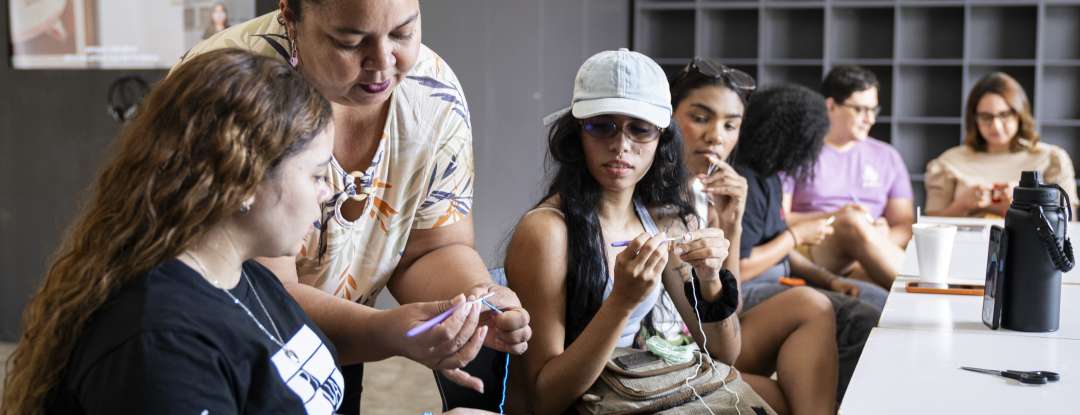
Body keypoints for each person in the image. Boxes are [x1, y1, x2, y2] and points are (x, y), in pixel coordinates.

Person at [178, 1, 531, 411]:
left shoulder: (432, 93)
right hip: (229, 346)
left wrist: (472, 301)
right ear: (290, 18)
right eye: (350, 41)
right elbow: (258, 294)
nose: (382, 62)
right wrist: (387, 331)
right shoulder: (233, 89)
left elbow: (431, 247)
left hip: (340, 343)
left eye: (403, 33)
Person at [2, 49, 355, 413]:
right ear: (246, 180)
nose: (328, 193)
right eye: (316, 175)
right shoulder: (160, 346)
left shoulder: (245, 276)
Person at [506, 49, 836, 415]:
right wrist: (622, 302)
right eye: (602, 126)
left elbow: (725, 353)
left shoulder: (667, 219)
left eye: (640, 128)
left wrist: (711, 277)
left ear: (662, 138)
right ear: (576, 134)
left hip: (640, 385)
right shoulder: (547, 232)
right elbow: (543, 399)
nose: (621, 146)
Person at [783, 65, 915, 290]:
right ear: (831, 105)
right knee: (851, 222)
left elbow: (904, 224)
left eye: (874, 110)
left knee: (857, 230)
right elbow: (779, 218)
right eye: (861, 110)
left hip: (872, 252)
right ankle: (925, 294)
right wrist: (838, 216)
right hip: (812, 248)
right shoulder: (796, 153)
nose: (870, 119)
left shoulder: (887, 156)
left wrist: (874, 242)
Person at [925, 72, 1078, 217]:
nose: (996, 126)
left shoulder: (1051, 159)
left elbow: (1068, 222)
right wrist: (963, 204)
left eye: (1004, 115)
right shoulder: (949, 161)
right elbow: (930, 225)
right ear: (974, 119)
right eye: (986, 117)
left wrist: (1022, 206)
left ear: (1019, 114)